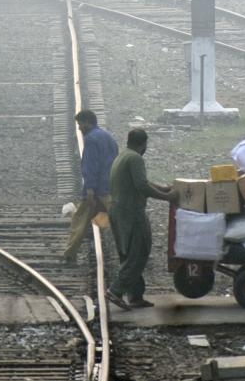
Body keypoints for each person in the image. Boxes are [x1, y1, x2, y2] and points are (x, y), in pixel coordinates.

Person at [105, 128, 175, 309]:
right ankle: (116, 290)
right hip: (131, 212)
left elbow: (142, 181)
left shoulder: (123, 156)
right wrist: (168, 197)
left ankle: (135, 296)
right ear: (143, 144)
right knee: (139, 253)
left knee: (128, 253)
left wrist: (163, 188)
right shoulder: (136, 158)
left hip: (118, 210)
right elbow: (142, 186)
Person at [63, 110, 118, 265]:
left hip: (96, 190)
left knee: (79, 220)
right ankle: (126, 252)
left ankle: (70, 254)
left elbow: (90, 166)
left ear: (87, 122)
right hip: (111, 188)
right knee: (118, 222)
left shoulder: (91, 139)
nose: (79, 128)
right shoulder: (108, 137)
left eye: (80, 124)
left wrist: (90, 190)